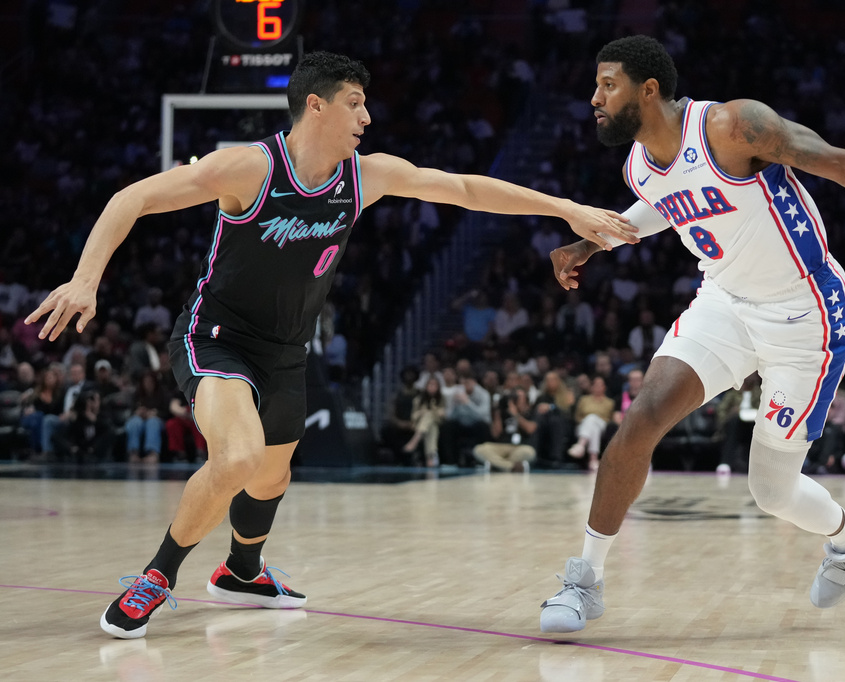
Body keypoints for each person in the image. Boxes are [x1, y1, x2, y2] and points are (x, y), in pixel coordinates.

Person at [25, 51, 637, 640]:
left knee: (272, 475)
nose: (366, 116)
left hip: (288, 349)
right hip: (217, 337)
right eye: (355, 102)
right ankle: (156, 577)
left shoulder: (363, 176)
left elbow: (463, 188)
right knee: (237, 459)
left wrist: (564, 208)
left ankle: (241, 572)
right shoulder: (250, 168)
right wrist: (85, 280)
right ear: (316, 105)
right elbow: (131, 198)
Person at [538, 35, 845, 634]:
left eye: (607, 85)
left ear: (648, 90)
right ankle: (585, 580)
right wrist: (587, 243)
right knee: (640, 419)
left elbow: (843, 165)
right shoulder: (637, 165)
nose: (594, 98)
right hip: (725, 304)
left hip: (807, 315)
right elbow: (662, 204)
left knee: (772, 492)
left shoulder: (734, 127)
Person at [472, 387, 538, 472]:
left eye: (519, 397)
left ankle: (498, 465)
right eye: (514, 397)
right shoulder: (503, 411)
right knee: (479, 449)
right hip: (500, 446)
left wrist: (515, 414)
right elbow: (495, 434)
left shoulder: (530, 412)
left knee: (530, 452)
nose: (516, 399)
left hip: (519, 447)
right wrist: (497, 412)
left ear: (526, 399)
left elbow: (530, 429)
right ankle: (510, 467)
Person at [403, 375, 446, 467]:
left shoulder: (441, 399)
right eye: (430, 384)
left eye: (434, 385)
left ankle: (415, 439)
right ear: (426, 386)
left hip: (436, 421)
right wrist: (422, 412)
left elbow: (443, 413)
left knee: (430, 417)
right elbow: (413, 416)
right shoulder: (418, 400)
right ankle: (431, 456)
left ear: (438, 387)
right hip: (419, 424)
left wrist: (436, 411)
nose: (432, 387)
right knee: (431, 425)